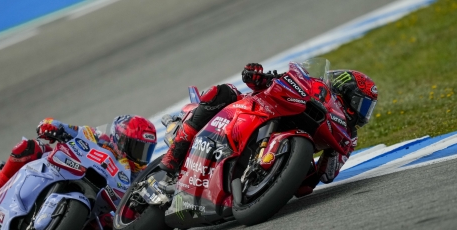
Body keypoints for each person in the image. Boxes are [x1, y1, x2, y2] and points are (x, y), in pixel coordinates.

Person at [159, 62, 378, 197]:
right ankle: (172, 156)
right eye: (361, 104)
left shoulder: (348, 136)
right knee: (222, 92)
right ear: (344, 92)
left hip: (284, 154)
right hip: (250, 110)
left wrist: (318, 162)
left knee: (304, 189)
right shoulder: (317, 90)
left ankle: (255, 183)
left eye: (367, 108)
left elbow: (327, 175)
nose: (362, 113)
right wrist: (258, 77)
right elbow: (277, 83)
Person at [0, 115, 157, 230]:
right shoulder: (98, 137)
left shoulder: (134, 177)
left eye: (146, 151)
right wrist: (51, 127)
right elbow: (65, 127)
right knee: (27, 148)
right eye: (137, 148)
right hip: (60, 167)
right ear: (120, 138)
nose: (141, 157)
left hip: (94, 202)